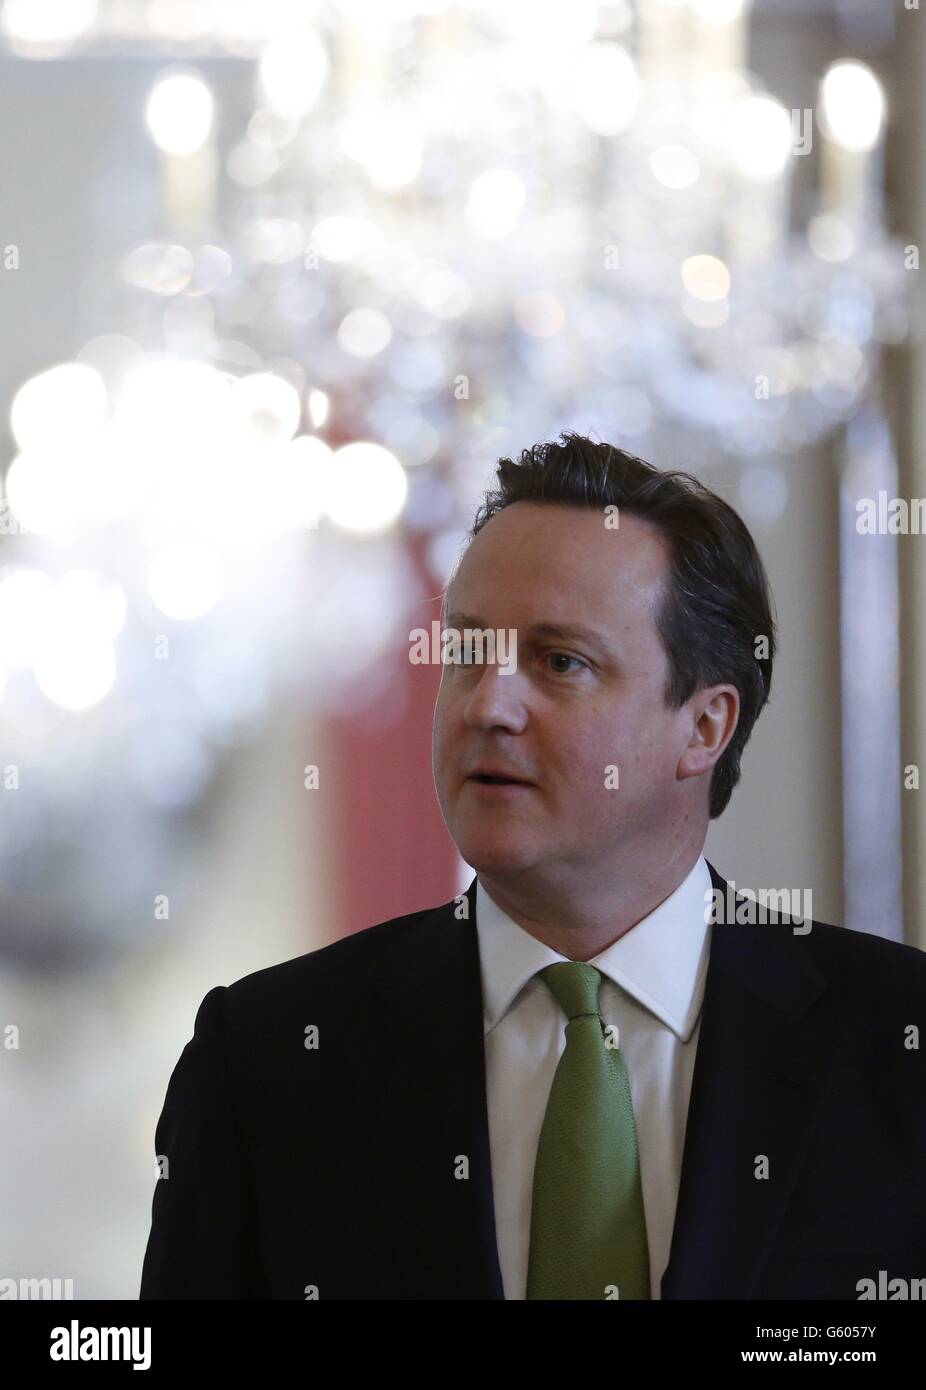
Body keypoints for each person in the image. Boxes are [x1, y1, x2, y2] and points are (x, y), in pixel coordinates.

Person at [140, 433, 926, 1300]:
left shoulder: (895, 1045)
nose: (489, 705)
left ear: (705, 727)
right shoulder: (265, 1059)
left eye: (561, 662)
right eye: (468, 653)